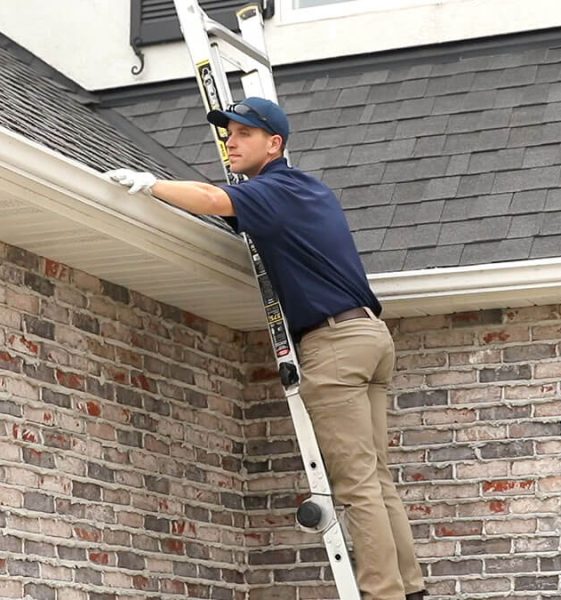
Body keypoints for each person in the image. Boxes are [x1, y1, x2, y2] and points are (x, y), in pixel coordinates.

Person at [106, 97, 426, 600]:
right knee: (377, 478)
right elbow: (233, 209)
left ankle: (382, 593)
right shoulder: (304, 190)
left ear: (274, 144)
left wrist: (151, 184)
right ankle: (411, 589)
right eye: (228, 132)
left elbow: (212, 200)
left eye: (244, 134)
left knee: (356, 484)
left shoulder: (272, 189)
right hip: (369, 337)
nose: (230, 142)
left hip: (335, 344)